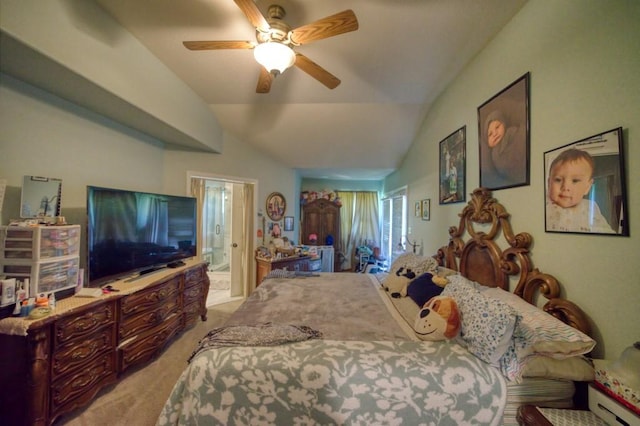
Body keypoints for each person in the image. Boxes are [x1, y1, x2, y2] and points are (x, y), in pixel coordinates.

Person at [546, 148, 615, 233]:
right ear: (549, 183)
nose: (565, 187)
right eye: (558, 180)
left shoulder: (589, 207)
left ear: (587, 187)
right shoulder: (544, 205)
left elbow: (606, 231)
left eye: (575, 181)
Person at [481, 110, 527, 188]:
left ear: (504, 125)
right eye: (490, 134)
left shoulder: (511, 132)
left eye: (497, 127)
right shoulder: (493, 155)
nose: (495, 133)